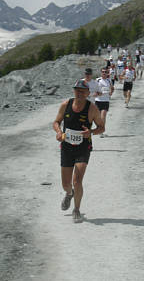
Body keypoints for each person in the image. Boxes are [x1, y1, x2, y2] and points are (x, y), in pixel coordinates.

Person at [53, 79, 105, 223]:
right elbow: (56, 122)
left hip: (83, 148)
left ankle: (76, 209)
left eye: (82, 91)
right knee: (66, 184)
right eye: (77, 90)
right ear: (74, 91)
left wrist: (91, 132)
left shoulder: (92, 108)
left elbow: (102, 127)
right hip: (67, 147)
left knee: (77, 180)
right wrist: (58, 132)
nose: (79, 93)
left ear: (88, 93)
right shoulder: (66, 105)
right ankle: (69, 194)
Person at [95, 68, 114, 137]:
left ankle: (101, 131)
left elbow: (112, 88)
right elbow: (93, 88)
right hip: (98, 100)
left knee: (103, 116)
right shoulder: (98, 80)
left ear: (107, 73)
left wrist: (111, 93)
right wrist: (97, 93)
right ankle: (98, 129)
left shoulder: (109, 80)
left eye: (105, 72)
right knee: (98, 117)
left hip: (106, 100)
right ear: (101, 73)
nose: (104, 73)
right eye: (103, 72)